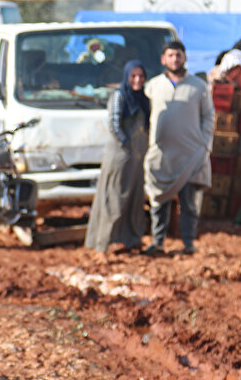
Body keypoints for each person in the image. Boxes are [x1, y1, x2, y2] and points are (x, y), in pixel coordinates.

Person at [143, 41, 215, 256]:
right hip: (161, 155)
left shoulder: (199, 87)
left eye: (179, 55)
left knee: (189, 204)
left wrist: (204, 144)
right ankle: (158, 243)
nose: (175, 59)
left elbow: (209, 116)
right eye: (171, 55)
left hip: (191, 155)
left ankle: (189, 244)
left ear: (185, 58)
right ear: (163, 59)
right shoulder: (153, 86)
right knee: (158, 201)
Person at [85, 60, 151, 253]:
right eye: (133, 76)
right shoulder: (119, 97)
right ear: (127, 77)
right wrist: (126, 144)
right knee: (114, 197)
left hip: (137, 157)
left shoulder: (143, 99)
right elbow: (114, 125)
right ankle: (107, 241)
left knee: (134, 196)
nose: (137, 80)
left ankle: (131, 238)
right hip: (120, 156)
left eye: (141, 76)